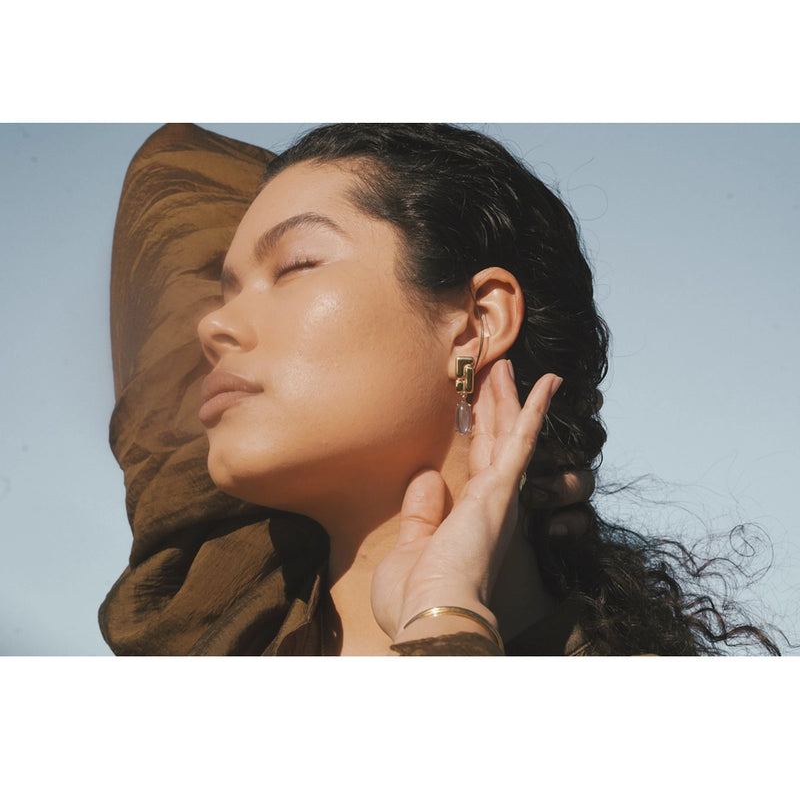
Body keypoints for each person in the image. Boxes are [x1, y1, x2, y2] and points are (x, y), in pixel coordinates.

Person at [192, 123, 779, 656]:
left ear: (477, 325)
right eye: (226, 293)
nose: (211, 326)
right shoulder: (202, 628)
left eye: (295, 265)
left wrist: (443, 613)